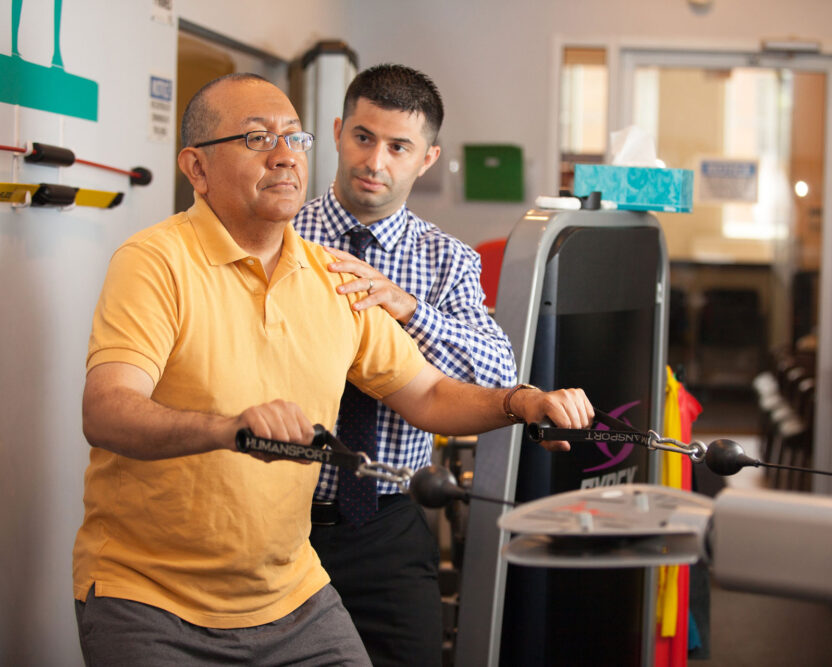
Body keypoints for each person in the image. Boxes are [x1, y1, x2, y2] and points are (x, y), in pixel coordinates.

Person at [73, 72, 593, 666]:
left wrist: (520, 403)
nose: (284, 156)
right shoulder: (155, 261)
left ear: (426, 159)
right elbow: (107, 410)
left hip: (297, 583)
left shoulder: (335, 274)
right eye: (255, 139)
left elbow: (427, 394)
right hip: (153, 596)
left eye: (295, 138)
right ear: (196, 168)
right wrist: (230, 428)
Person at [294, 63, 514, 667]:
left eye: (399, 147)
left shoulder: (447, 261)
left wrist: (408, 308)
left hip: (389, 521)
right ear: (338, 131)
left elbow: (497, 376)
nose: (375, 161)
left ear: (427, 158)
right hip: (276, 517)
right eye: (363, 137)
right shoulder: (279, 237)